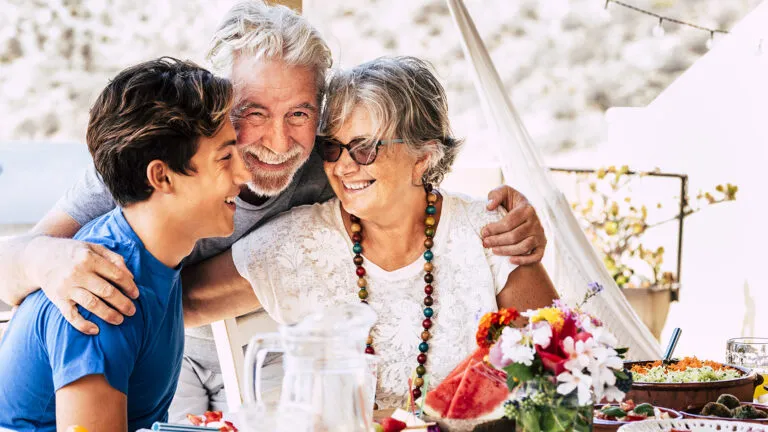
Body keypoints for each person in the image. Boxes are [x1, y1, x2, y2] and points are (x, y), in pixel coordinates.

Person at [0, 0, 547, 419]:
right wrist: (47, 261)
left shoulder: (330, 164)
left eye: (301, 114)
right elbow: (11, 270)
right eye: (250, 113)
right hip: (151, 336)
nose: (277, 141)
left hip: (257, 335)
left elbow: (404, 181)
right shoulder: (146, 163)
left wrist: (511, 219)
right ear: (216, 104)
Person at [186, 56, 559, 408]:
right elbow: (182, 301)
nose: (344, 166)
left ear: (423, 158)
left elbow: (562, 365)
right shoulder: (297, 243)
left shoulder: (490, 233)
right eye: (332, 148)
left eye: (364, 149)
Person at [0, 58, 249, 431]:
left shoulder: (152, 257)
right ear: (161, 176)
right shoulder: (104, 296)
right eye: (225, 158)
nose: (244, 174)